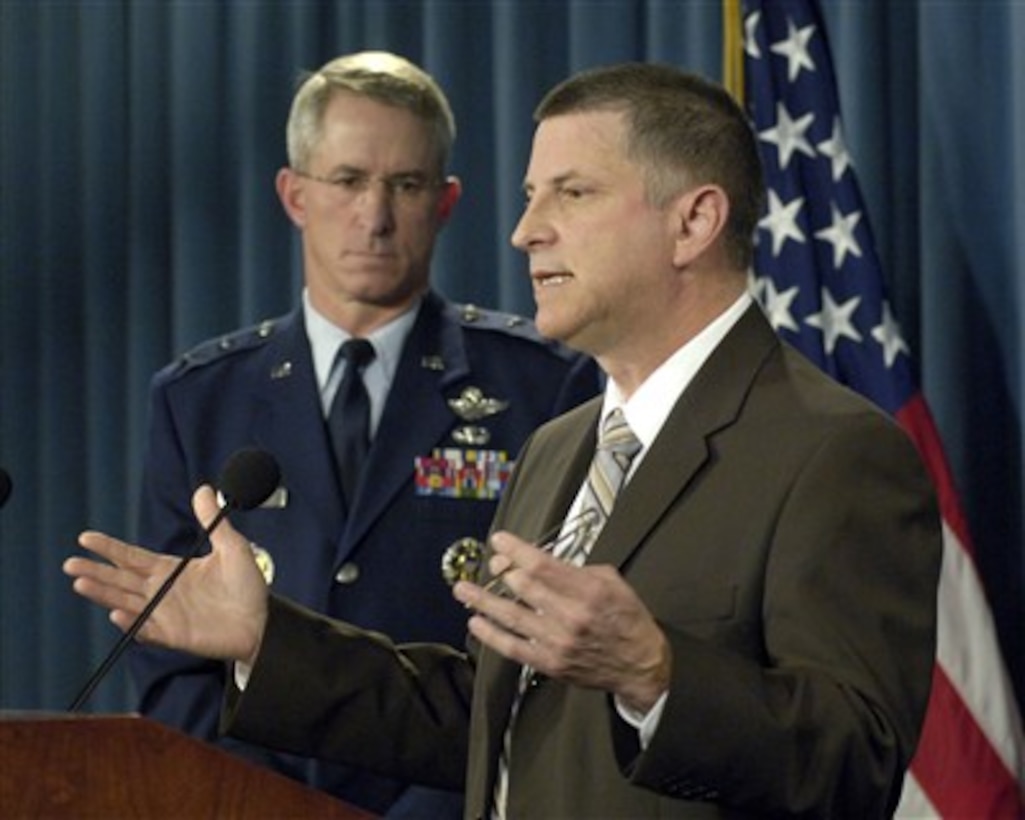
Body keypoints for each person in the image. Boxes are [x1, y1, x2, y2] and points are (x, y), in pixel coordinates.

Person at [67, 63, 941, 818]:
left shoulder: (829, 450)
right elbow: (486, 719)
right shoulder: (565, 447)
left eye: (572, 193)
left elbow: (856, 767)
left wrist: (658, 675)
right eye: (529, 197)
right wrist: (270, 643)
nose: (526, 231)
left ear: (694, 221)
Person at [127, 51, 601, 818]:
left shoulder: (544, 389)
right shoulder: (199, 399)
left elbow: (541, 661)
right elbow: (171, 656)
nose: (373, 217)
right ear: (294, 195)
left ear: (445, 202)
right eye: (347, 181)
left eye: (405, 186)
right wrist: (261, 803)